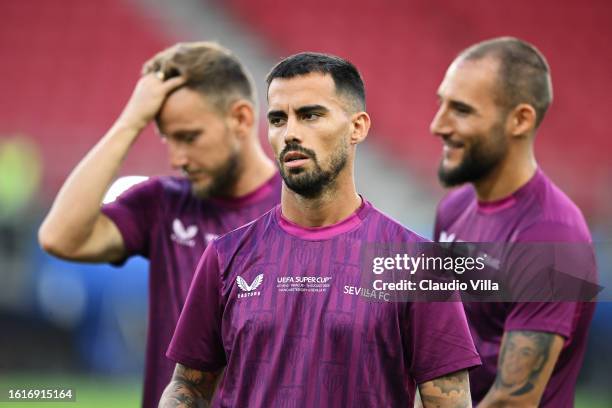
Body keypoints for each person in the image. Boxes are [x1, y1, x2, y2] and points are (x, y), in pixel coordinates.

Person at [159, 52, 481, 408]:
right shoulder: (225, 256)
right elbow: (187, 388)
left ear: (357, 127)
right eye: (278, 119)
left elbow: (448, 403)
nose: (290, 133)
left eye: (310, 115)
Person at [38, 42, 280, 407]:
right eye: (167, 138)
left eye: (189, 137)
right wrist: (129, 123)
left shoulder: (298, 209)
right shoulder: (162, 202)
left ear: (242, 119)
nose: (176, 158)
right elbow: (60, 237)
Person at [431, 37, 597, 407]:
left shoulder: (552, 238)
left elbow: (513, 401)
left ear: (520, 119)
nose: (437, 125)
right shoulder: (453, 209)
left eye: (461, 109)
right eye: (440, 103)